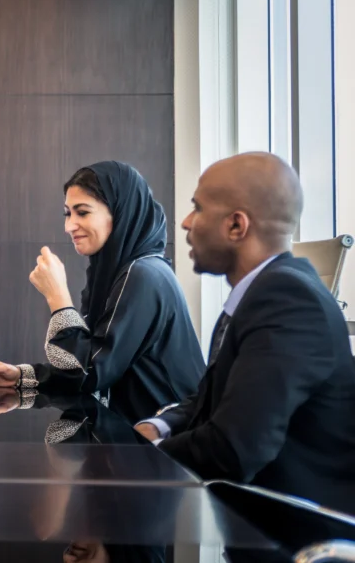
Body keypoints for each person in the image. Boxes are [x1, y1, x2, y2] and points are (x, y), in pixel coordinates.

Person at [135, 153, 355, 519]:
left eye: (197, 208)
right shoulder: (268, 293)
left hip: (290, 536)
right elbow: (217, 398)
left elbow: (233, 449)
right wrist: (160, 425)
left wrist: (141, 459)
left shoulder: (286, 300)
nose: (185, 222)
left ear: (237, 226)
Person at [0, 162, 205, 424]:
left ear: (120, 213)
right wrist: (23, 377)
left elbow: (91, 373)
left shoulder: (143, 275)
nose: (69, 226)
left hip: (166, 440)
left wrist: (58, 297)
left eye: (83, 212)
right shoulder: (121, 273)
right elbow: (93, 361)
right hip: (137, 434)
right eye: (68, 214)